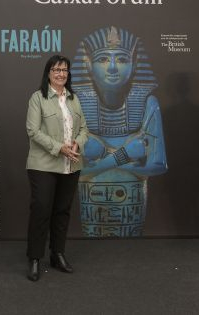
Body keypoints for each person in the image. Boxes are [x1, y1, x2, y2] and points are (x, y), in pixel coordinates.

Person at [71, 26, 167, 237]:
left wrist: (101, 160)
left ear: (134, 65)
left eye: (122, 60)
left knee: (129, 253)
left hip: (131, 204)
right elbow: (71, 173)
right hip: (93, 203)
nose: (113, 67)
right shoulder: (76, 105)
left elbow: (158, 166)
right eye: (103, 59)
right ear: (88, 65)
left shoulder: (148, 103)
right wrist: (123, 156)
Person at [25, 54, 88, 281]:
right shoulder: (38, 98)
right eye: (56, 70)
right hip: (43, 164)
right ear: (48, 73)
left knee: (62, 210)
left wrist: (77, 143)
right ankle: (34, 258)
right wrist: (60, 147)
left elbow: (85, 129)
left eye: (65, 70)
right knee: (41, 209)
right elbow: (33, 131)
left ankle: (57, 254)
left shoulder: (74, 98)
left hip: (71, 164)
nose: (61, 74)